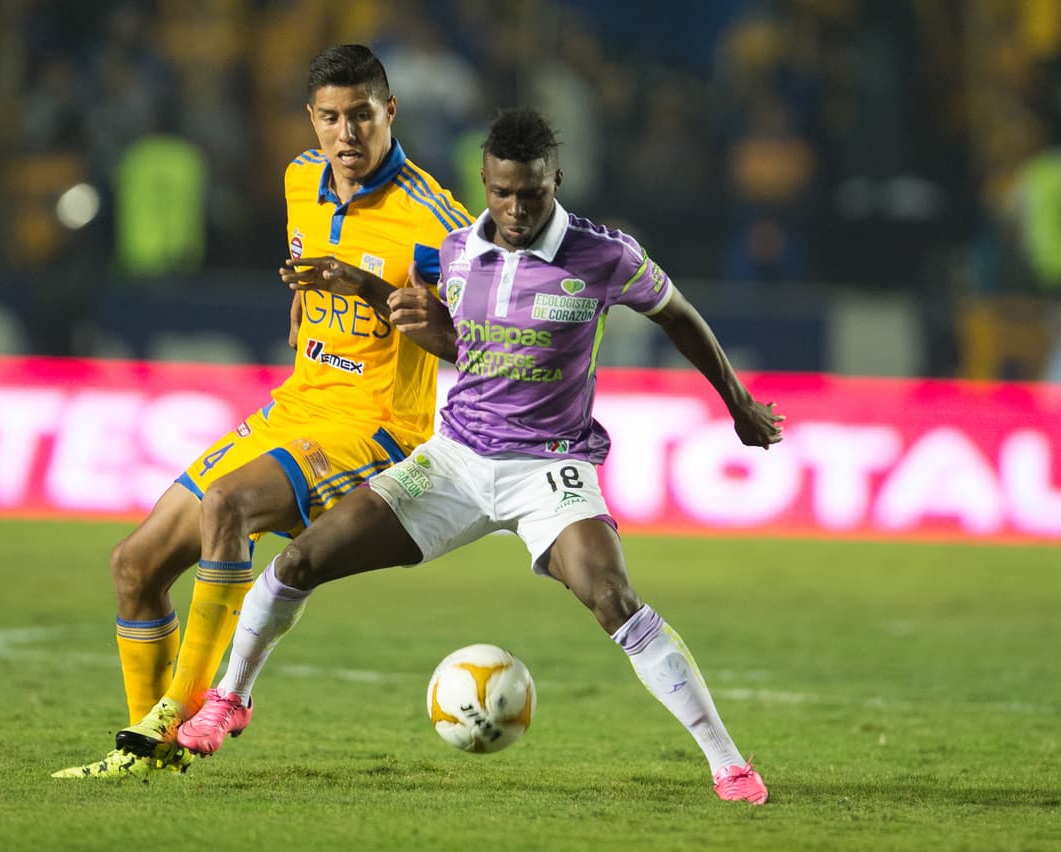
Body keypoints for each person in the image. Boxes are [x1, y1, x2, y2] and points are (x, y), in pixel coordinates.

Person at [175, 107, 783, 804]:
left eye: (531, 193)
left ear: (556, 179)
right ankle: (231, 698)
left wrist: (737, 403)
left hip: (548, 469)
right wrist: (375, 293)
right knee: (298, 561)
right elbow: (464, 348)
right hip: (456, 460)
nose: (516, 208)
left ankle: (727, 762)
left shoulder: (603, 254)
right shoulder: (459, 251)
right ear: (485, 182)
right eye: (502, 192)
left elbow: (677, 313)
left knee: (614, 598)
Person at [53, 44, 472, 778]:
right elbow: (313, 267)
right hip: (298, 404)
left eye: (362, 116)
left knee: (228, 505)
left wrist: (383, 300)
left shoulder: (435, 219)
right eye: (332, 118)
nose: (347, 135)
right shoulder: (300, 179)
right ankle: (149, 760)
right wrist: (309, 302)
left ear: (390, 112)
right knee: (133, 566)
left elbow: (476, 342)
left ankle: (177, 717)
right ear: (312, 119)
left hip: (375, 425)